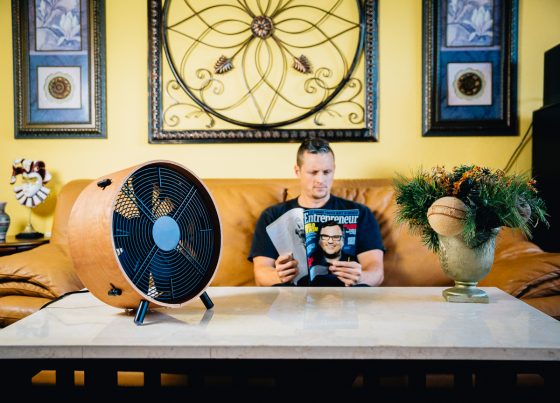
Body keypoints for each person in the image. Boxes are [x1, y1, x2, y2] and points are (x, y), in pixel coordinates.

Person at [248, 137, 384, 287]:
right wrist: (278, 276)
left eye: (327, 172)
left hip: (343, 297)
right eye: (313, 172)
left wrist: (361, 277)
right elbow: (261, 274)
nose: (320, 179)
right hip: (293, 297)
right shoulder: (272, 216)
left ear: (334, 169)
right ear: (297, 171)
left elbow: (377, 272)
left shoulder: (361, 213)